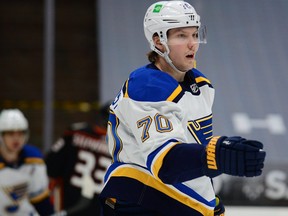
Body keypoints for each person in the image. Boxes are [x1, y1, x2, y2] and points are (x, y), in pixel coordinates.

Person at [99, 1, 266, 216]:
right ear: (159, 42)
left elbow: (192, 152)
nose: (192, 44)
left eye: (195, 34)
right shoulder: (146, 86)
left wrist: (207, 201)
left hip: (176, 203)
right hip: (140, 203)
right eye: (181, 35)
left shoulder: (200, 85)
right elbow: (166, 164)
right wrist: (219, 156)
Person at [45, 103, 112, 216]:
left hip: (70, 207)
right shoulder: (123, 148)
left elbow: (50, 167)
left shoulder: (76, 132)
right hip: (101, 209)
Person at [0, 109, 55, 216]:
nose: (16, 138)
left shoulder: (34, 159)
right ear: (1, 136)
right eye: (11, 134)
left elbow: (40, 201)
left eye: (20, 133)